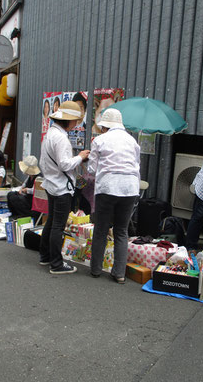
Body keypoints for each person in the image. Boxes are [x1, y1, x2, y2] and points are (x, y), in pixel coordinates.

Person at [87, 109, 140, 283]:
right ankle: (119, 274)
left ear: (105, 126)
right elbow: (136, 165)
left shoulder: (100, 140)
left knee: (101, 229)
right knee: (121, 231)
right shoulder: (132, 141)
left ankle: (95, 269)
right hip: (130, 188)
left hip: (108, 187)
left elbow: (91, 169)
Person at [39, 101, 90, 275]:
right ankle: (56, 264)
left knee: (52, 222)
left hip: (51, 184)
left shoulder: (50, 133)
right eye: (75, 120)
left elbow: (44, 162)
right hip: (61, 187)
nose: (76, 124)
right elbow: (64, 164)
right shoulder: (61, 138)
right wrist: (81, 157)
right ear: (68, 120)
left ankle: (45, 256)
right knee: (57, 226)